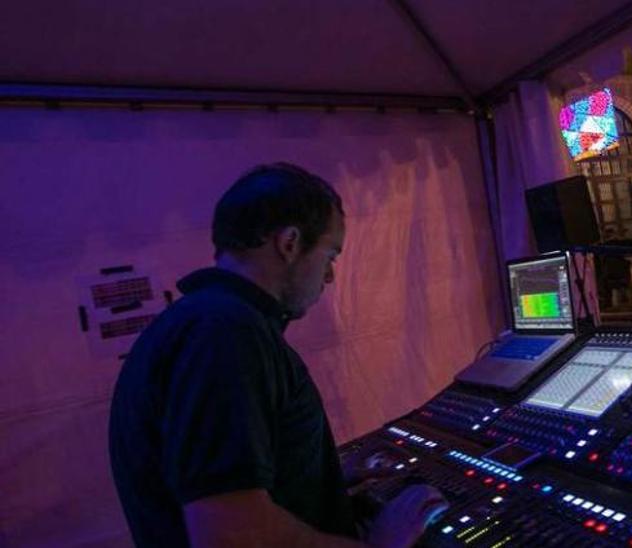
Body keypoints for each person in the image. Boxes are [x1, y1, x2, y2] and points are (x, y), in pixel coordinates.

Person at [109, 163, 447, 547]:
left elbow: (222, 476)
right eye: (330, 255)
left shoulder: (199, 320)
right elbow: (232, 533)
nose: (330, 275)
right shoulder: (225, 332)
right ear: (289, 243)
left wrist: (319, 479)